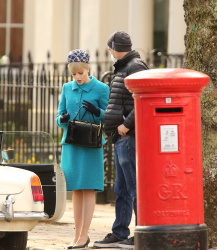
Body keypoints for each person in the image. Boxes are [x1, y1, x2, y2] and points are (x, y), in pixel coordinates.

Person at [93, 31, 148, 249]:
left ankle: (141, 231)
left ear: (115, 47)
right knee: (122, 189)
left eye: (110, 48)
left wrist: (127, 125)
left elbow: (142, 99)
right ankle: (120, 231)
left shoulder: (135, 66)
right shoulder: (125, 66)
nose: (109, 52)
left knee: (134, 188)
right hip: (120, 136)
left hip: (129, 135)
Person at [55, 49, 109, 249]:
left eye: (81, 73)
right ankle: (77, 235)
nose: (77, 77)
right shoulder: (67, 88)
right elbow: (59, 116)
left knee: (88, 188)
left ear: (88, 68)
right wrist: (62, 119)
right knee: (76, 189)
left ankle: (84, 235)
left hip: (91, 143)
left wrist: (98, 112)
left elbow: (108, 117)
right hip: (71, 143)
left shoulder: (101, 88)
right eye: (74, 74)